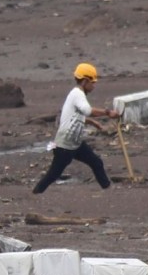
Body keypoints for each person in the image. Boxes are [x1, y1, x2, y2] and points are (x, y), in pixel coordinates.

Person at [32, 62, 120, 194]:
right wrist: (108, 112)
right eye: (92, 82)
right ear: (85, 81)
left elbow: (75, 115)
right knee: (53, 174)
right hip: (65, 144)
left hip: (75, 142)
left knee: (96, 162)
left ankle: (108, 189)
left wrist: (92, 123)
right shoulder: (77, 94)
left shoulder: (77, 95)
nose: (94, 86)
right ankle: (36, 193)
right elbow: (87, 110)